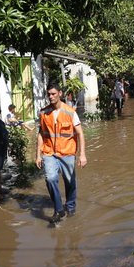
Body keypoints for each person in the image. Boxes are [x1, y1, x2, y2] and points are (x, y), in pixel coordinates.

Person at [36, 83, 87, 224]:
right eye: (49, 94)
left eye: (53, 94)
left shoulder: (70, 112)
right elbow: (41, 133)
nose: (51, 97)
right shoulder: (43, 112)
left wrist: (82, 154)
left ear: (60, 93)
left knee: (69, 181)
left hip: (67, 153)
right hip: (49, 152)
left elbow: (80, 134)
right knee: (51, 178)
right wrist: (38, 155)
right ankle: (59, 209)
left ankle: (70, 206)